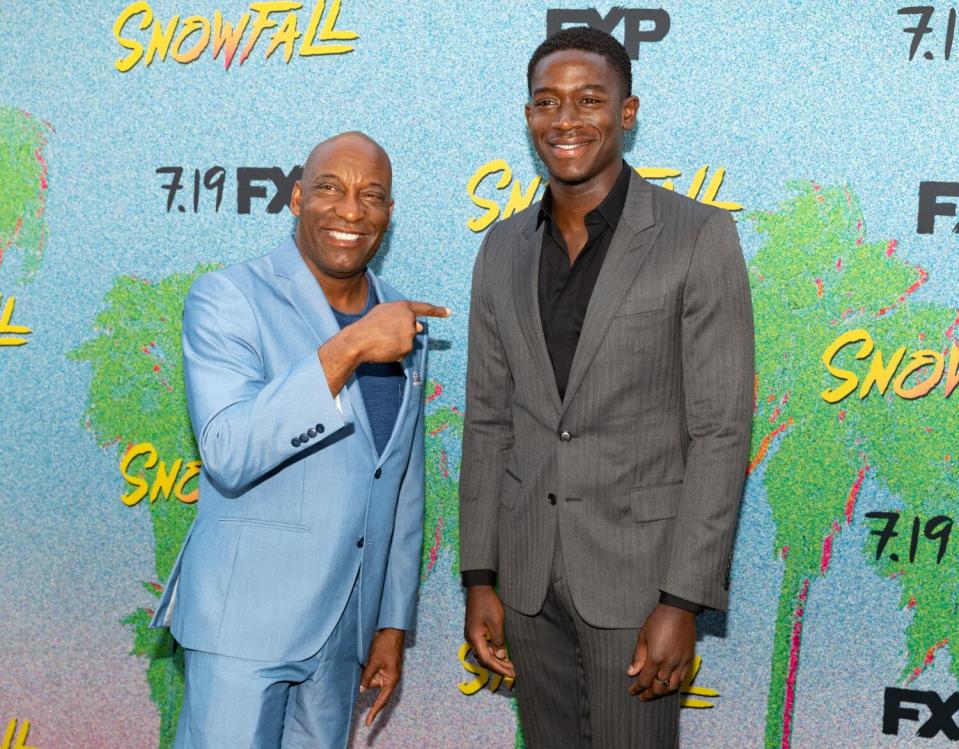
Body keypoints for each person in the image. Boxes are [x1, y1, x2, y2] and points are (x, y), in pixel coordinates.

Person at [459, 28, 754, 748]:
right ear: (528, 117)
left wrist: (682, 598)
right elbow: (488, 421)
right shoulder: (501, 247)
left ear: (626, 113)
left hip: (639, 582)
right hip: (525, 582)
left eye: (589, 100)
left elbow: (718, 431)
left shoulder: (696, 236)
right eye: (546, 103)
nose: (566, 120)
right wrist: (478, 574)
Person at [151, 131, 450, 748]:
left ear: (388, 214)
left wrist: (391, 622)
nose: (350, 210)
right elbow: (229, 452)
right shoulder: (229, 297)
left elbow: (400, 480)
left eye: (371, 196)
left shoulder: (400, 317)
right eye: (330, 189)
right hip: (242, 629)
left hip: (344, 633)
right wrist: (348, 347)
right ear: (295, 198)